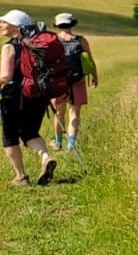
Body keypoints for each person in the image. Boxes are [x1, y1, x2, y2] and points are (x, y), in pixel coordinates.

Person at [1, 10, 58, 186]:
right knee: (30, 132)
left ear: (16, 26)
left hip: (13, 99)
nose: (1, 24)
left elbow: (6, 76)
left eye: (5, 22)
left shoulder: (9, 47)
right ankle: (46, 157)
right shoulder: (36, 44)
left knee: (10, 137)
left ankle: (21, 177)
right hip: (38, 95)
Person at [49, 12, 96, 163]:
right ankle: (71, 145)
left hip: (59, 82)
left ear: (58, 25)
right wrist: (95, 76)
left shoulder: (53, 40)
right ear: (72, 24)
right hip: (78, 80)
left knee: (59, 113)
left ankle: (57, 143)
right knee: (74, 114)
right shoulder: (80, 40)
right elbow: (89, 59)